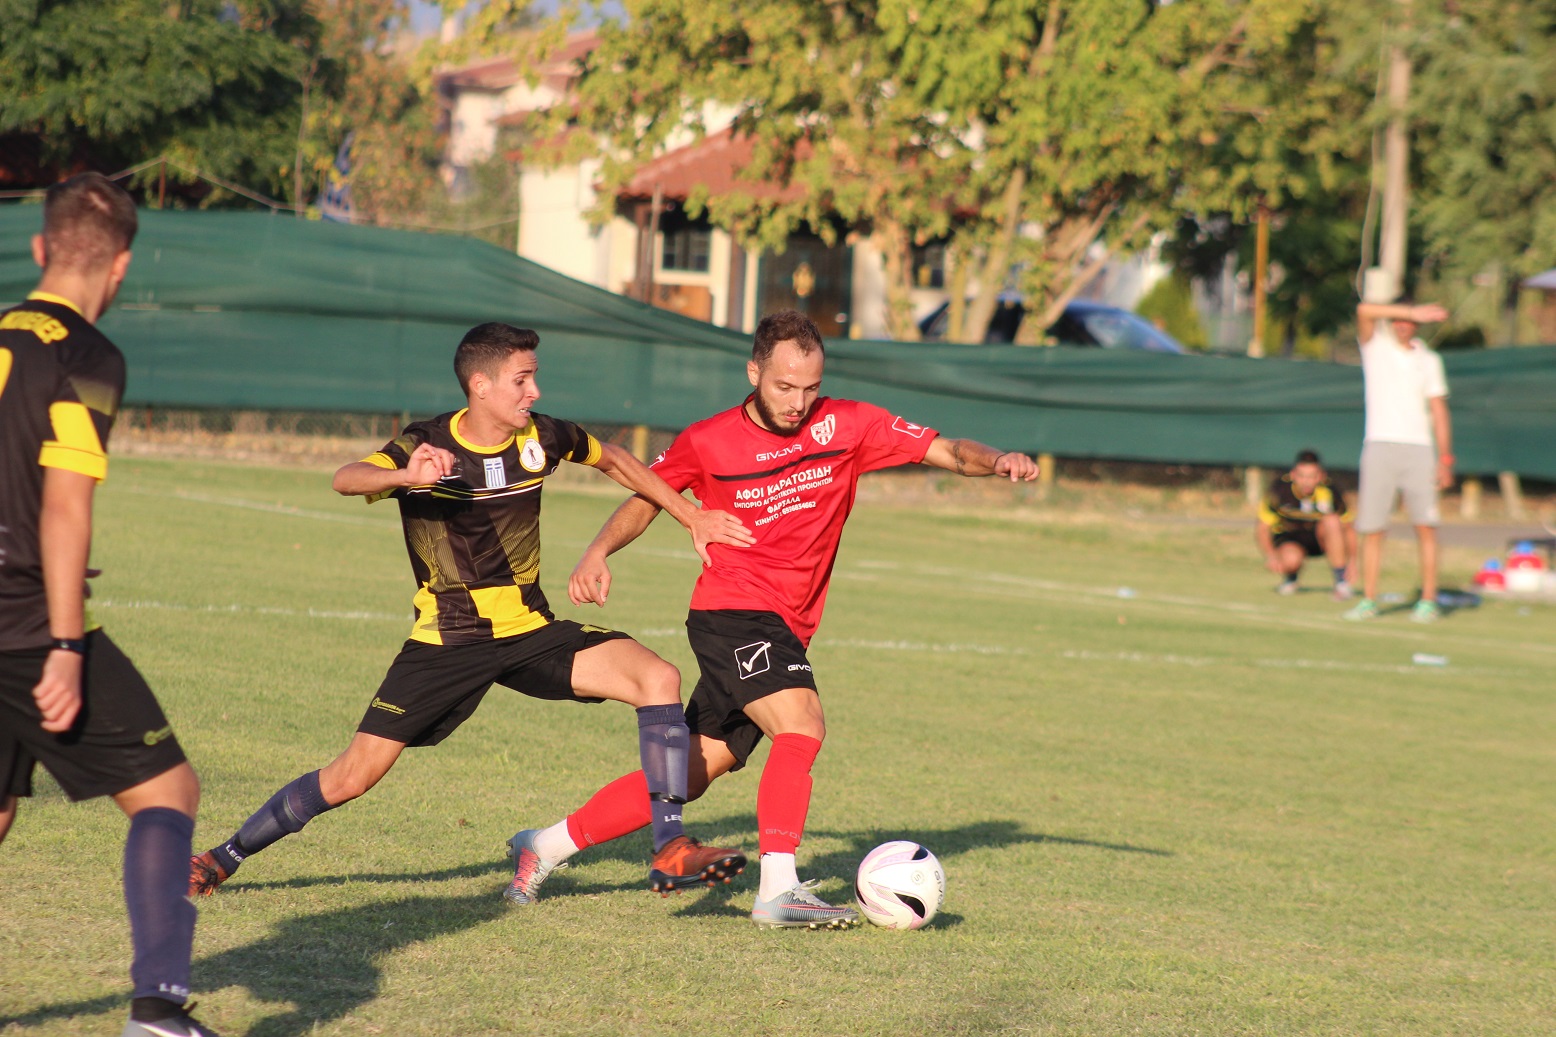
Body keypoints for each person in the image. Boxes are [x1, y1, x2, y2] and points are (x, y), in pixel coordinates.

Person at [502, 309, 1040, 930]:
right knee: (801, 724)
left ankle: (544, 845)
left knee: (691, 771)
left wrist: (998, 459)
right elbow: (646, 495)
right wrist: (598, 551)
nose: (798, 402)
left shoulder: (850, 424)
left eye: (810, 387)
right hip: (733, 611)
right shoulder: (709, 440)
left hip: (786, 626)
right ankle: (777, 890)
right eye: (785, 386)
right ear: (754, 372)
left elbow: (947, 450)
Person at [189, 323, 756, 903]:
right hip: (449, 641)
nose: (534, 391)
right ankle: (220, 857)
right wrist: (403, 476)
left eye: (534, 377)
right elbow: (345, 478)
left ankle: (669, 845)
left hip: (531, 630)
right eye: (522, 379)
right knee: (352, 775)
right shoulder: (427, 443)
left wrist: (691, 516)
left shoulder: (542, 435)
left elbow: (614, 459)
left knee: (657, 677)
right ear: (481, 385)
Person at [0, 174, 221, 1037]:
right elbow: (64, 504)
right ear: (121, 265)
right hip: (25, 621)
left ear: (40, 248)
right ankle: (157, 1011)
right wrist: (64, 644)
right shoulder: (86, 355)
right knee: (168, 788)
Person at [1343, 300, 1453, 622]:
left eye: (1410, 321)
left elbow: (1439, 411)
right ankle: (1369, 600)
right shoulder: (1376, 349)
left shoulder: (1430, 360)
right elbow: (1364, 310)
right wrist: (1408, 311)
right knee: (1373, 528)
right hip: (1379, 445)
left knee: (1426, 526)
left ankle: (1428, 601)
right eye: (1398, 320)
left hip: (1420, 449)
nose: (1403, 326)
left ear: (1418, 327)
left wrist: (1445, 458)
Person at [1256, 450, 1355, 599]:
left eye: (1312, 476)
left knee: (1332, 521)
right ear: (1293, 475)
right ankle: (1291, 579)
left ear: (1321, 476)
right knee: (1291, 559)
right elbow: (1262, 528)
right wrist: (1271, 556)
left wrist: (1353, 561)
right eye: (1302, 476)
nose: (1306, 481)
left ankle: (1341, 582)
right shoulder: (1279, 491)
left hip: (1320, 539)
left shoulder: (1330, 492)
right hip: (1291, 539)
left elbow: (1348, 528)